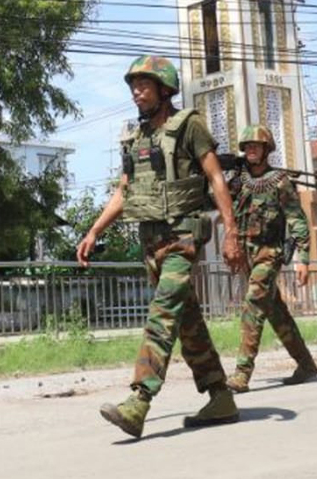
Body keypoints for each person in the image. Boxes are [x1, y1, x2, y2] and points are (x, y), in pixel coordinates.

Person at [78, 56, 248, 438]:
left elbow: (216, 178)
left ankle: (139, 401)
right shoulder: (136, 139)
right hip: (151, 243)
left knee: (162, 315)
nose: (136, 93)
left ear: (164, 89)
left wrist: (231, 232)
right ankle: (221, 396)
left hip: (182, 238)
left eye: (144, 85)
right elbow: (124, 192)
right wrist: (93, 231)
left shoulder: (189, 125)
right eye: (133, 87)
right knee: (187, 322)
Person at [225, 124, 317, 393]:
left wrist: (303, 259)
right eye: (247, 146)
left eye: (256, 145)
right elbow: (219, 204)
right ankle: (306, 365)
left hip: (269, 254)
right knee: (276, 313)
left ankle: (242, 374)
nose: (251, 150)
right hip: (246, 255)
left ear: (266, 149)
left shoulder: (279, 182)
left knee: (253, 305)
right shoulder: (238, 181)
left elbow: (297, 220)